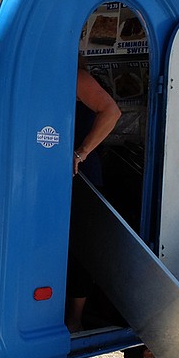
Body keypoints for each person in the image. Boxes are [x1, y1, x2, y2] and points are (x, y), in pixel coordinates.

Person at [66, 61, 121, 333]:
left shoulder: (76, 76)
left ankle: (74, 319)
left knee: (80, 247)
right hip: (49, 177)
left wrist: (81, 152)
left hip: (81, 175)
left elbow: (112, 112)